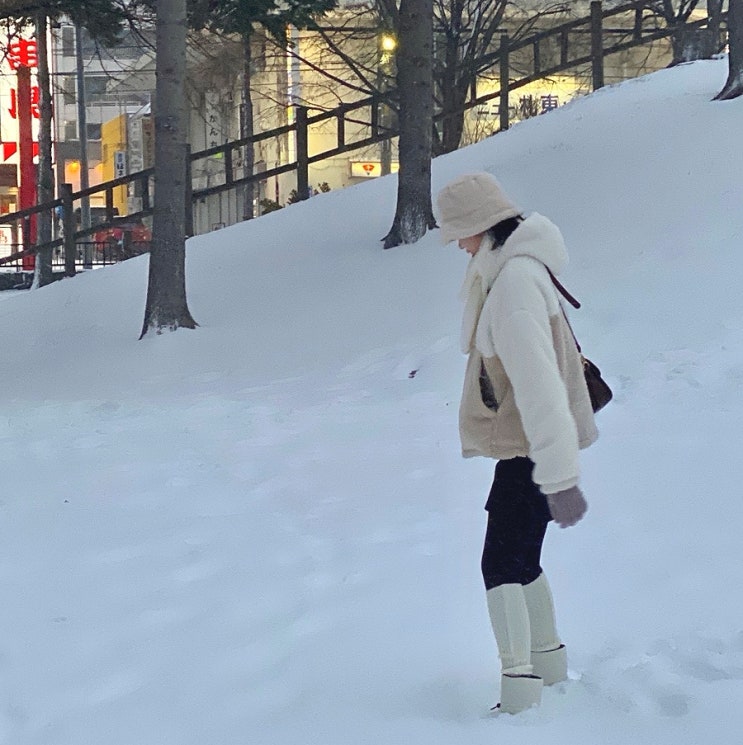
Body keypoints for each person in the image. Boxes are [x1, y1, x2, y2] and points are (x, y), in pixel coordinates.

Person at [436, 172, 599, 715]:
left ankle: (519, 692)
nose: (457, 245)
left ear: (483, 226)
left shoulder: (512, 288)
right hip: (527, 450)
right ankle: (547, 670)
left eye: (460, 233)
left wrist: (560, 479)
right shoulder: (517, 271)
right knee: (521, 559)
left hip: (531, 451)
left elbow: (542, 388)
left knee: (501, 565)